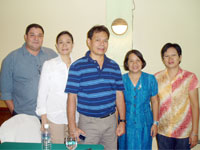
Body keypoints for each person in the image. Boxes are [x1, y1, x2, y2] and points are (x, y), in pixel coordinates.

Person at [65, 25, 126, 150]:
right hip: (88, 124)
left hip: (110, 122)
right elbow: (71, 98)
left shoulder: (114, 66)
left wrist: (122, 121)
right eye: (97, 40)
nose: (102, 44)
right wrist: (72, 127)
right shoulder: (77, 66)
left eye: (105, 40)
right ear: (89, 42)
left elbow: (119, 95)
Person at [0, 23, 57, 117]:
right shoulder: (11, 59)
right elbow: (6, 92)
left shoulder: (52, 55)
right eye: (32, 35)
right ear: (25, 37)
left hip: (50, 115)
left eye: (40, 35)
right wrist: (15, 114)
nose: (36, 38)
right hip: (24, 115)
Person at [36, 31, 79, 143]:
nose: (64, 45)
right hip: (54, 117)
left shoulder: (78, 65)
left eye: (68, 42)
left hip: (75, 117)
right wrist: (44, 118)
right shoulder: (49, 65)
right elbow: (42, 92)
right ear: (56, 46)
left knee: (73, 147)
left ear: (73, 45)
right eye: (61, 43)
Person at [155, 43, 199, 150]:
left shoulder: (190, 77)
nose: (170, 59)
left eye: (173, 55)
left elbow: (195, 105)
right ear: (163, 59)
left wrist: (195, 132)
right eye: (166, 56)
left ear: (180, 57)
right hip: (163, 132)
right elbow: (154, 103)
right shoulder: (156, 78)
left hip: (183, 133)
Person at [118, 50, 159, 150]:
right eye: (131, 61)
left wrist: (155, 123)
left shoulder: (150, 79)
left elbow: (155, 101)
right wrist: (117, 124)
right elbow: (117, 104)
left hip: (145, 124)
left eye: (138, 60)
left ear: (142, 62)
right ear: (127, 63)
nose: (135, 64)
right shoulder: (121, 79)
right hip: (126, 124)